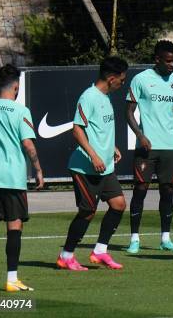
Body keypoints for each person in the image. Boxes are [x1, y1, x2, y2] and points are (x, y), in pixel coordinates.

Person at [0, 64, 44, 292]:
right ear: (16, 86)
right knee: (14, 227)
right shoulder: (21, 111)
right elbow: (28, 145)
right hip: (13, 178)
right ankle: (11, 279)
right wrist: (38, 170)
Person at [56, 56, 128, 271]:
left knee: (118, 205)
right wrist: (94, 156)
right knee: (87, 212)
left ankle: (99, 251)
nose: (122, 84)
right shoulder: (88, 97)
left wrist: (111, 148)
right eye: (122, 80)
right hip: (85, 167)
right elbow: (77, 129)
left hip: (105, 167)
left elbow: (99, 130)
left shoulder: (106, 97)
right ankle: (66, 255)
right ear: (111, 77)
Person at [125, 41, 173, 254]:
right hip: (147, 147)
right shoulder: (141, 79)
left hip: (169, 147)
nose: (172, 65)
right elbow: (128, 112)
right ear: (158, 60)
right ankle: (134, 238)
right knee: (140, 189)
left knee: (168, 191)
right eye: (169, 61)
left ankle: (166, 238)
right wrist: (140, 135)